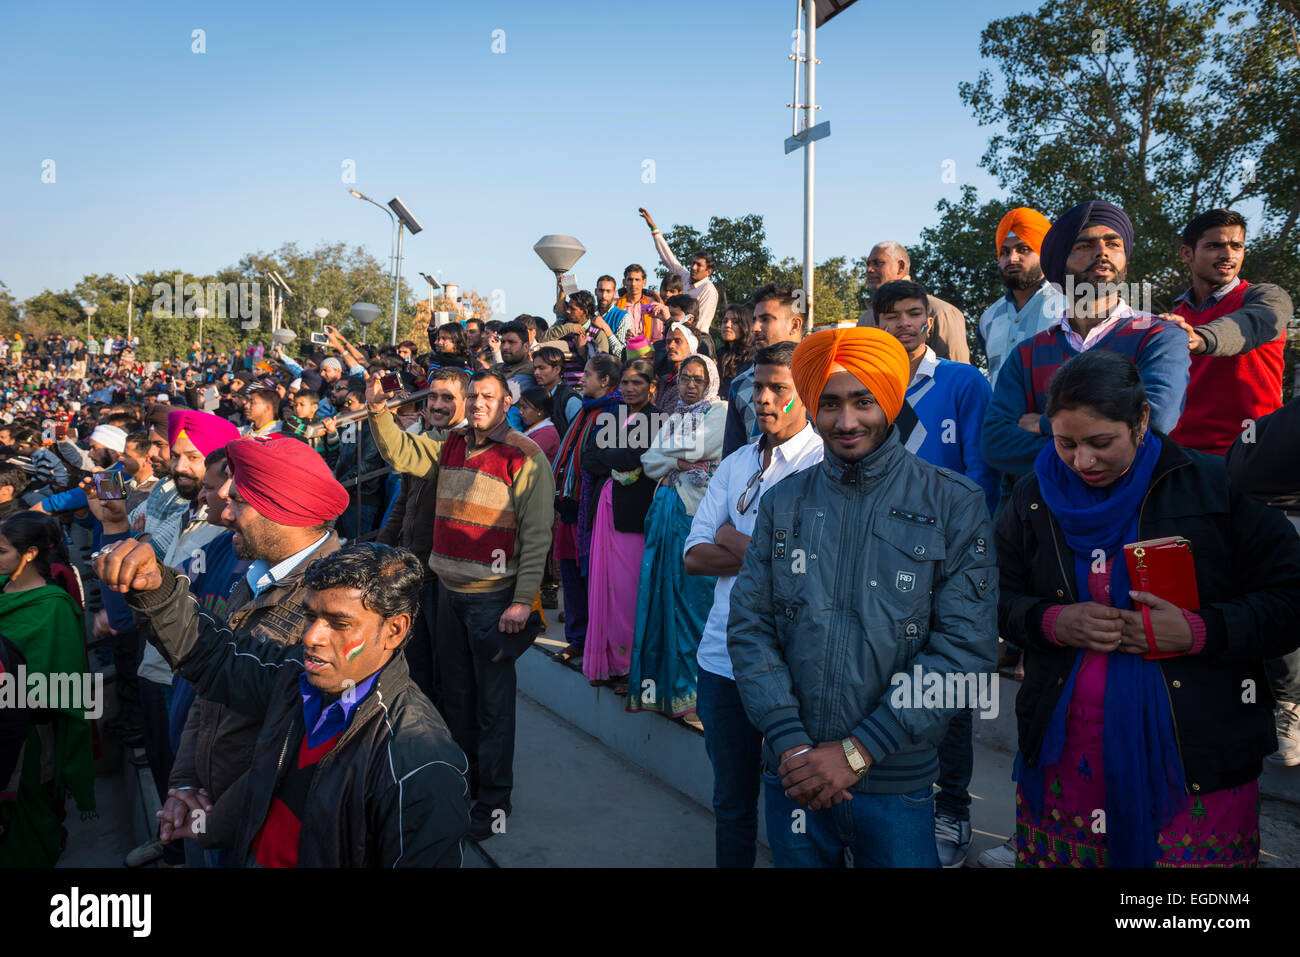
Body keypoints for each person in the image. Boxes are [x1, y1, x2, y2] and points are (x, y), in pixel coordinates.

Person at [996, 349, 1300, 866]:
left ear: (1140, 422)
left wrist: (1198, 632)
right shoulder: (1032, 496)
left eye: (1100, 442)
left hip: (1194, 749)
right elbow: (986, 596)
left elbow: (1290, 598)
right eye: (1065, 443)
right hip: (1066, 748)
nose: (1082, 461)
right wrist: (1053, 620)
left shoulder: (1216, 485)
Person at [727, 326, 998, 868]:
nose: (845, 422)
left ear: (891, 399)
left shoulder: (954, 502)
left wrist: (859, 751)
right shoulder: (784, 502)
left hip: (898, 782)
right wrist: (793, 744)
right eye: (828, 404)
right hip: (794, 773)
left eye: (862, 401)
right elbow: (750, 627)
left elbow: (966, 648)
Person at [97, 540, 470, 866]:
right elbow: (215, 657)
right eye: (310, 615)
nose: (311, 637)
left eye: (338, 623)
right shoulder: (296, 677)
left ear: (395, 630)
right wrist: (157, 591)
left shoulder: (419, 764)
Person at [366, 369, 554, 841]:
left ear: (507, 401)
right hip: (446, 595)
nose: (477, 403)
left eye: (488, 396)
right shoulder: (450, 445)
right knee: (456, 700)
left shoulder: (525, 455)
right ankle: (461, 789)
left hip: (494, 604)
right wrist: (377, 412)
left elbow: (535, 538)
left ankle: (494, 805)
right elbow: (403, 452)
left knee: (493, 708)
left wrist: (518, 603)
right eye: (472, 396)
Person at [685, 341, 822, 867]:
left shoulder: (822, 465)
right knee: (730, 801)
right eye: (757, 386)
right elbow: (695, 557)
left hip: (794, 665)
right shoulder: (738, 460)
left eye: (778, 388)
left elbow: (805, 570)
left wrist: (735, 539)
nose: (763, 399)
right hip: (721, 658)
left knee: (797, 802)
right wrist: (763, 552)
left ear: (806, 393)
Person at [981, 199, 1191, 487]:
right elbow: (996, 442)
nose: (1102, 252)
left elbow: (1155, 421)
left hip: (1144, 513)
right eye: (1085, 245)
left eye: (1113, 244)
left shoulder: (1159, 336)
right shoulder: (1027, 354)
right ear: (1059, 261)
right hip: (1047, 520)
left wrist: (1044, 425)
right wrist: (1110, 443)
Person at [627, 354, 727, 721]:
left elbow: (701, 448)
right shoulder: (673, 417)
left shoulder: (720, 412)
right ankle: (670, 691)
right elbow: (649, 463)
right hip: (664, 511)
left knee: (693, 603)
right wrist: (674, 459)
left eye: (698, 379)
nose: (690, 385)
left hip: (695, 516)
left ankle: (700, 696)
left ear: (711, 382)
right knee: (661, 597)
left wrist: (670, 456)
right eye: (685, 377)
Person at [0, 512, 95, 866]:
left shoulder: (54, 607)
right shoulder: (1, 587)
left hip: (30, 733)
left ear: (28, 554)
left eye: (1, 551)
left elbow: (68, 685)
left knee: (28, 816)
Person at [376, 367, 470, 705]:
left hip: (441, 577)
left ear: (467, 402)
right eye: (432, 396)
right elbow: (402, 503)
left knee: (442, 670)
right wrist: (381, 550)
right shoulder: (432, 438)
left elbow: (398, 452)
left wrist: (377, 410)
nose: (438, 404)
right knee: (412, 664)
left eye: (448, 398)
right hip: (411, 569)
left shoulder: (464, 444)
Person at [1165, 209, 1294, 455]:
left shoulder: (1266, 297)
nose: (1227, 255)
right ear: (1187, 253)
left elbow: (1248, 325)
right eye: (1215, 246)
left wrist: (1200, 338)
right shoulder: (1174, 317)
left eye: (1237, 246)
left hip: (1252, 452)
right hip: (1182, 455)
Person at [876, 280, 998, 514]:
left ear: (928, 323)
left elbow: (983, 467)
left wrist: (971, 526)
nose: (904, 323)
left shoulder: (965, 381)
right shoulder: (866, 389)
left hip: (950, 526)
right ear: (877, 326)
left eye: (914, 314)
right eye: (892, 316)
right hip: (881, 530)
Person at [578, 357, 660, 689]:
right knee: (604, 586)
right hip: (606, 509)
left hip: (634, 515)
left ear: (652, 387)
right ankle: (607, 664)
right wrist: (616, 455)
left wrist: (610, 454)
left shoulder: (658, 420)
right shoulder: (613, 416)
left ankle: (631, 667)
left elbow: (633, 458)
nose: (629, 388)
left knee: (628, 592)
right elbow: (587, 458)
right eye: (625, 382)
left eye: (637, 382)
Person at [551, 354, 624, 661]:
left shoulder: (613, 412)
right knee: (570, 574)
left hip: (592, 509)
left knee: (590, 578)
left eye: (588, 375)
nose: (581, 380)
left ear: (605, 381)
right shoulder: (585, 410)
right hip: (570, 507)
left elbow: (600, 461)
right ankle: (577, 638)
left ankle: (595, 641)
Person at [723, 283, 806, 456]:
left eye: (766, 319)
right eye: (755, 319)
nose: (755, 328)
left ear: (795, 325)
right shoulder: (740, 385)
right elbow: (732, 457)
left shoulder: (823, 378)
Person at [977, 207, 1056, 386]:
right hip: (998, 414)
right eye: (1004, 252)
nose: (1012, 258)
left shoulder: (1070, 305)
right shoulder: (988, 318)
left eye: (1023, 249)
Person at [857, 242, 971, 364]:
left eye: (878, 263)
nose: (869, 270)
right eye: (891, 316)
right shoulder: (865, 319)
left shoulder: (941, 311)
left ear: (901, 267)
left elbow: (958, 373)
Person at [640, 207, 719, 332]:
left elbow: (700, 325)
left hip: (694, 341)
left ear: (708, 271)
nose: (693, 267)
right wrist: (654, 229)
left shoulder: (708, 290)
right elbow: (669, 259)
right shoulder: (686, 276)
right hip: (673, 333)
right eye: (693, 263)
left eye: (699, 265)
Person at [493, 321, 536, 433]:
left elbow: (497, 398)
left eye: (511, 342)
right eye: (503, 342)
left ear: (526, 347)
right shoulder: (497, 367)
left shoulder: (529, 371)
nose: (505, 347)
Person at [531, 346, 581, 437]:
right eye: (535, 368)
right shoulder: (540, 395)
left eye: (541, 368)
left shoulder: (570, 399)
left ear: (557, 369)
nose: (536, 373)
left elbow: (578, 434)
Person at [716, 303, 754, 396]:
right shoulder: (719, 354)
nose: (727, 325)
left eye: (735, 322)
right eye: (725, 321)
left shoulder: (753, 357)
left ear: (745, 326)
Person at [517, 386, 560, 464]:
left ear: (539, 411)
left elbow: (521, 459)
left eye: (524, 408)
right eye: (520, 407)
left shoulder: (547, 434)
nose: (520, 411)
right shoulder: (535, 428)